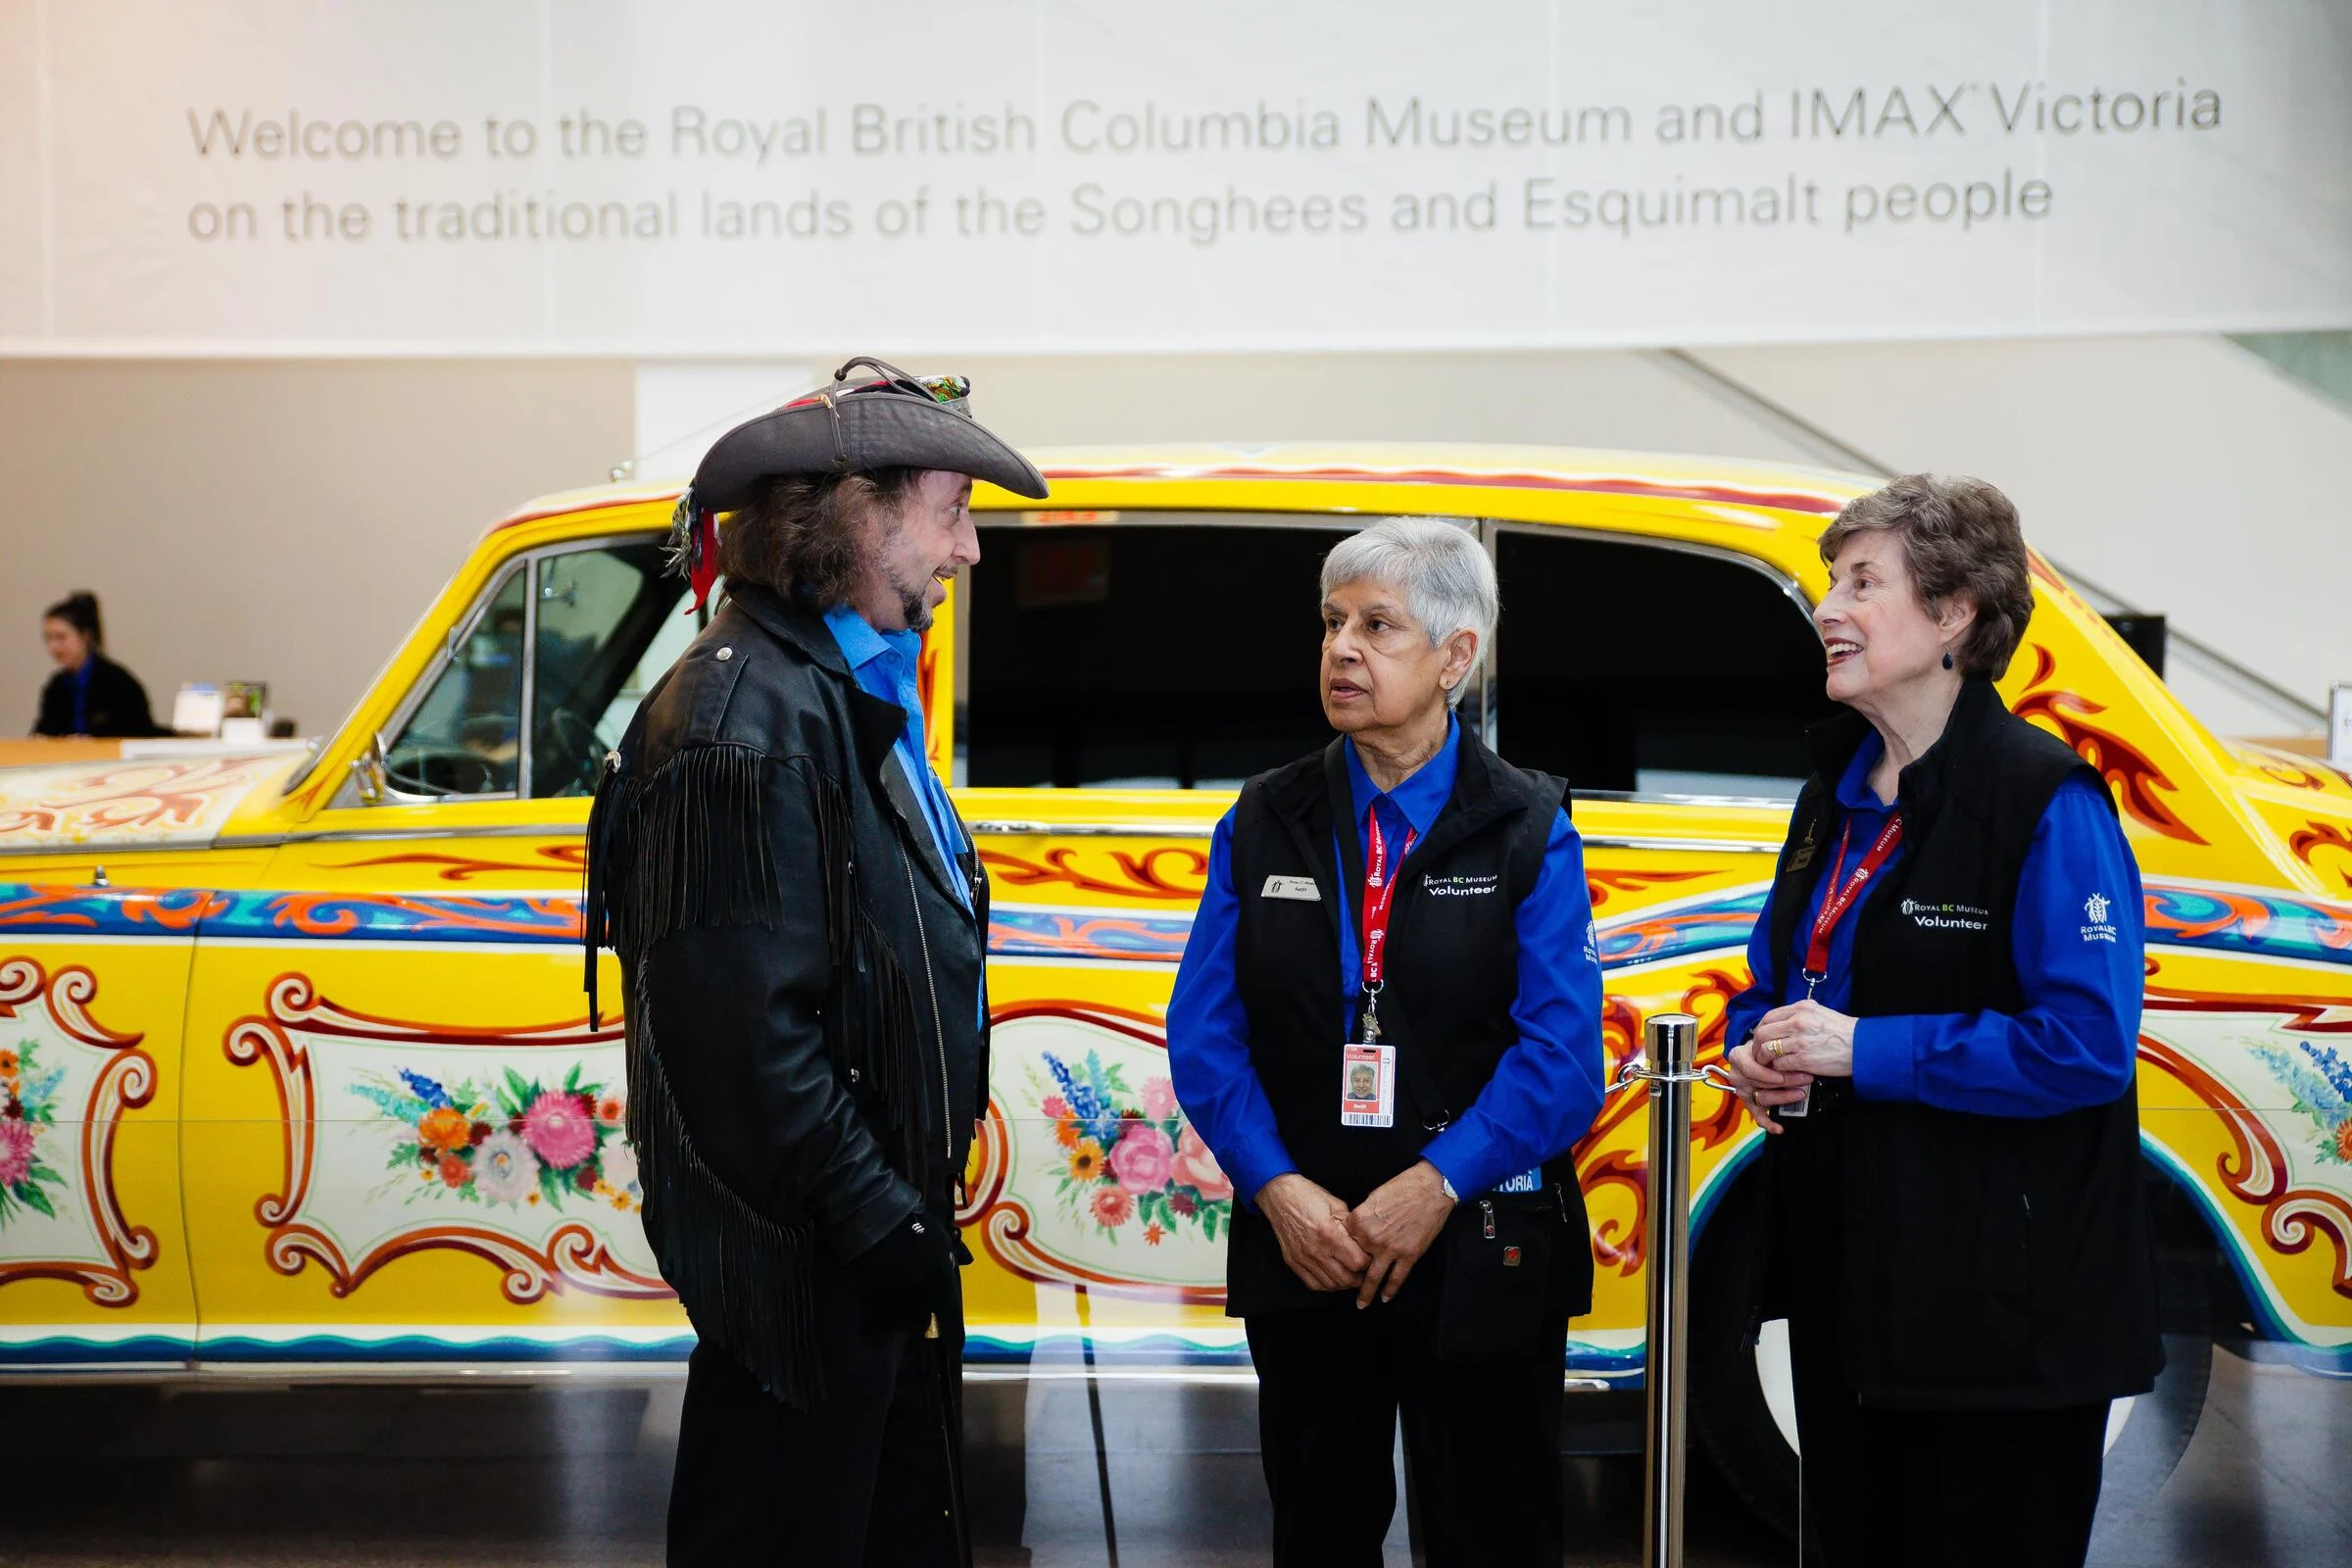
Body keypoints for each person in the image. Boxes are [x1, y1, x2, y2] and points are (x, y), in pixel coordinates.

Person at [582, 360, 1047, 1567]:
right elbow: (747, 1050)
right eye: (950, 512)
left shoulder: (823, 690)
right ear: (856, 514)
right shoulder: (742, 721)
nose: (968, 551)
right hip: (806, 1275)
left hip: (850, 1265)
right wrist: (882, 1222)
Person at [1719, 474, 2161, 1567]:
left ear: (1957, 610)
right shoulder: (1833, 791)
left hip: (2001, 1319)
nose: (1828, 607)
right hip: (1849, 1290)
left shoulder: (2045, 797)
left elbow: (2086, 1048)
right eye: (1831, 581)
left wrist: (1862, 1049)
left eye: (1862, 582)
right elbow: (1782, 973)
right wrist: (1760, 1042)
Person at [1168, 517, 1606, 1567]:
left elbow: (1562, 1058)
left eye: (1378, 625)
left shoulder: (1528, 823)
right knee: (1318, 1530)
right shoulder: (1265, 816)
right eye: (1330, 624)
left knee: (1491, 1532)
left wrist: (1435, 1183)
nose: (1342, 650)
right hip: (1308, 1245)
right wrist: (1278, 1189)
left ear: (1457, 657)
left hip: (1478, 1240)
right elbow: (1205, 1032)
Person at [33, 592, 159, 737]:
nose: (54, 647)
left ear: (85, 637)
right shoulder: (56, 686)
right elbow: (43, 730)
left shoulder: (119, 684)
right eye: (48, 639)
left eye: (61, 637)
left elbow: (136, 733)